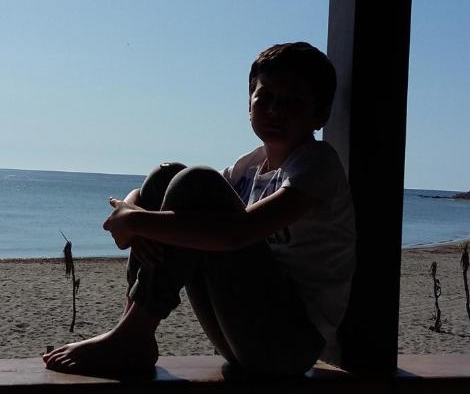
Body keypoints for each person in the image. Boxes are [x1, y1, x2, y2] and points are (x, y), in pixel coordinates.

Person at [42, 42, 356, 376]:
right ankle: (132, 327)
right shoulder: (249, 166)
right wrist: (133, 205)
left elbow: (238, 233)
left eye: (292, 102)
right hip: (239, 333)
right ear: (248, 104)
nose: (276, 110)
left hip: (288, 346)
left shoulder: (318, 164)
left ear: (320, 114)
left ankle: (133, 334)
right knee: (168, 175)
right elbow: (175, 194)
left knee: (196, 181)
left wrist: (135, 222)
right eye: (265, 98)